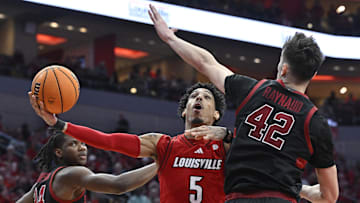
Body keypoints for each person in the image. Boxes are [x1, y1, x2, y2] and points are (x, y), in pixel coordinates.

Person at [149, 4, 339, 203]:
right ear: (313, 75)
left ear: (283, 69)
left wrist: (170, 38)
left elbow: (206, 62)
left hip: (240, 198)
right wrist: (302, 190)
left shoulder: (252, 91)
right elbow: (330, 196)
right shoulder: (315, 122)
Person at [28, 82, 231, 203]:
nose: (199, 99)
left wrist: (228, 134)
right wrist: (59, 124)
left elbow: (261, 146)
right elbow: (108, 141)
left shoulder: (227, 145)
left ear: (216, 113)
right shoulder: (164, 145)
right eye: (194, 96)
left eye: (207, 97)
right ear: (185, 110)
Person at [16, 129, 157, 203]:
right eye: (73, 144)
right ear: (59, 152)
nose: (82, 148)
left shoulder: (40, 183)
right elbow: (118, 185)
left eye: (83, 143)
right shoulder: (72, 174)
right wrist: (159, 164)